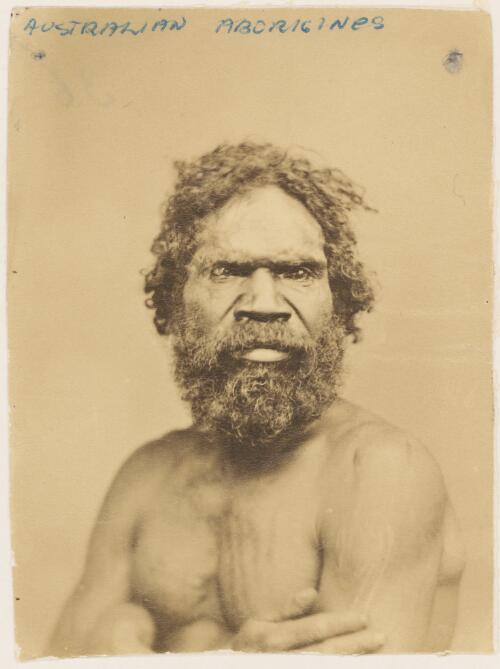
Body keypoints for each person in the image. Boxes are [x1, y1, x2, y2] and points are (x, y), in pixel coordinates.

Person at [48, 142, 465, 656]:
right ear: (176, 301)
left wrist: (130, 645)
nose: (265, 305)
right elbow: (59, 657)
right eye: (227, 271)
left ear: (340, 302)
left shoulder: (380, 469)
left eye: (297, 272)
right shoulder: (147, 476)